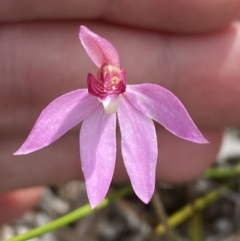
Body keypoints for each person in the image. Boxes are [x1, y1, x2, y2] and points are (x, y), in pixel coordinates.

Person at [0, 0, 239, 224]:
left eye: (112, 77)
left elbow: (178, 120)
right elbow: (47, 128)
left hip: (132, 111)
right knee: (98, 169)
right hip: (96, 107)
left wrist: (191, 132)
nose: (109, 82)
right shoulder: (78, 103)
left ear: (121, 74)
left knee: (142, 161)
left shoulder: (150, 97)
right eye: (104, 77)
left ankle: (151, 205)